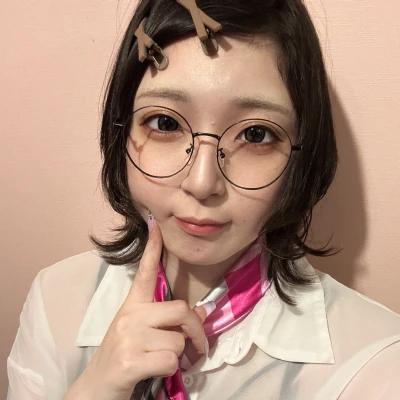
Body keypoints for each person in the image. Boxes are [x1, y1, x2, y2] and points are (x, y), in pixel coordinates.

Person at [7, 0, 400, 399]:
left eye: (256, 135)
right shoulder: (55, 300)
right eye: (165, 123)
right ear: (120, 130)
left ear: (304, 152)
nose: (201, 182)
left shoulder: (374, 362)